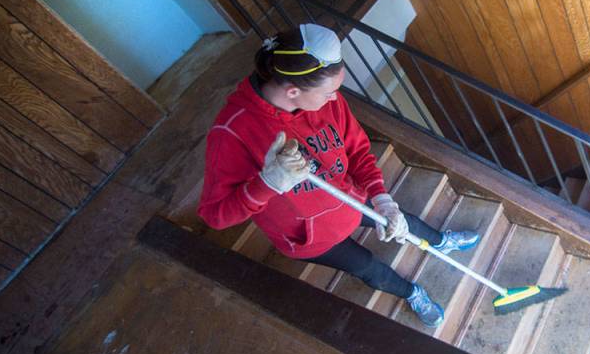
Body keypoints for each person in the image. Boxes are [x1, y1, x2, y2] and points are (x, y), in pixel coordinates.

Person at [197, 23, 479, 327]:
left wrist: (382, 198)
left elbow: (357, 149)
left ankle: (439, 242)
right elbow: (215, 216)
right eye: (329, 92)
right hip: (311, 236)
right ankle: (412, 293)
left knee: (401, 217)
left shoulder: (327, 101)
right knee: (367, 267)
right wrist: (267, 184)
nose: (335, 99)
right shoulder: (232, 134)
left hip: (351, 199)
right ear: (293, 91)